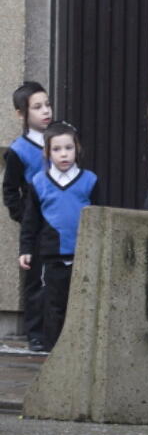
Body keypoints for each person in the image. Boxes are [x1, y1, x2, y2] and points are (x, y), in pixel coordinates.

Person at [19, 122, 97, 351]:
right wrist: (26, 250)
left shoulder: (90, 181)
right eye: (57, 149)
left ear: (77, 149)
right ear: (47, 152)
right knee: (53, 304)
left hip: (82, 254)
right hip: (51, 256)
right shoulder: (39, 182)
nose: (64, 154)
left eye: (68, 148)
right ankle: (55, 350)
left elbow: (99, 216)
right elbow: (30, 222)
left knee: (82, 303)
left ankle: (79, 349)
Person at [3, 81, 53, 351]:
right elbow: (10, 192)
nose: (46, 111)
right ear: (21, 114)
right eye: (37, 107)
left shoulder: (60, 139)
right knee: (37, 280)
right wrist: (27, 219)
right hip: (37, 226)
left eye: (47, 104)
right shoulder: (18, 151)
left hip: (63, 223)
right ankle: (35, 333)